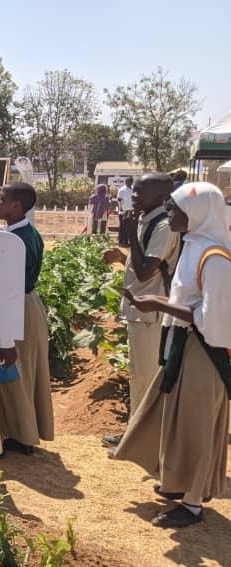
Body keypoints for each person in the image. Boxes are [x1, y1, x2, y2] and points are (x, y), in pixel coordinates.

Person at [112, 182, 231, 528]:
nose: (169, 214)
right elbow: (188, 302)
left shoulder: (215, 259)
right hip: (184, 344)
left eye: (175, 208)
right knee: (179, 418)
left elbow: (213, 319)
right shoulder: (194, 246)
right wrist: (160, 305)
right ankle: (179, 483)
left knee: (197, 425)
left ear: (196, 213)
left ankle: (192, 503)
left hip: (204, 352)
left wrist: (159, 304)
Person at [103, 173, 180, 448]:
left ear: (160, 196)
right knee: (139, 375)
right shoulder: (148, 220)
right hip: (141, 311)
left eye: (139, 192)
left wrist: (131, 236)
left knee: (146, 376)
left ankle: (142, 440)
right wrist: (122, 256)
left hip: (151, 313)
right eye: (133, 191)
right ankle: (135, 434)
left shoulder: (163, 226)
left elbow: (146, 271)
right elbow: (147, 265)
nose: (133, 196)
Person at [0, 182, 55, 454]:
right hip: (28, 305)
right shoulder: (27, 233)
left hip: (17, 307)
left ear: (17, 206)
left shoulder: (15, 240)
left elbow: (8, 283)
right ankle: (22, 431)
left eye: (2, 198)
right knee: (25, 370)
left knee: (16, 372)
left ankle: (21, 435)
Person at [117, 177, 135, 245]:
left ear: (132, 182)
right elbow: (119, 200)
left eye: (130, 182)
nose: (128, 183)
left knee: (130, 227)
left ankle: (127, 241)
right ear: (125, 182)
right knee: (123, 227)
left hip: (131, 211)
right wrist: (120, 207)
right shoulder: (122, 190)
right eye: (127, 182)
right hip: (123, 212)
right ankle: (121, 241)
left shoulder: (133, 189)